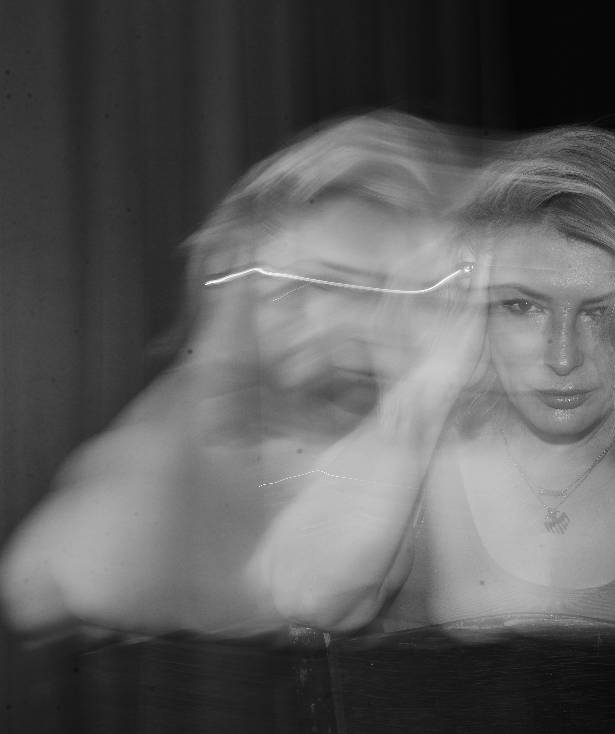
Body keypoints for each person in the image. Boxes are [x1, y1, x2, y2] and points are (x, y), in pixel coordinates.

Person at [263, 126, 615, 639]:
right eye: (522, 306)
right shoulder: (412, 463)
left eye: (600, 312)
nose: (562, 356)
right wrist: (432, 371)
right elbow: (311, 598)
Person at [0, 111, 488, 637]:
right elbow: (43, 585)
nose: (330, 320)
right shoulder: (192, 425)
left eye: (365, 290)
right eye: (298, 287)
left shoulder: (443, 441)